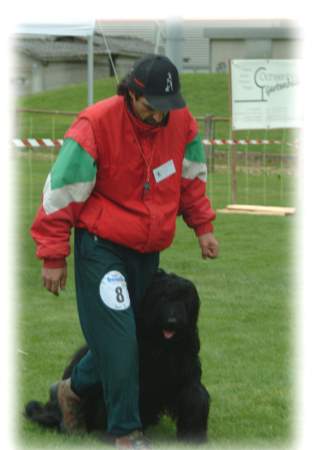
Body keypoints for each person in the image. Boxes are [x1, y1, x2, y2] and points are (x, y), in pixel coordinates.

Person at [30, 54, 219, 449]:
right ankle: (126, 431)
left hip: (147, 252)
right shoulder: (96, 124)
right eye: (150, 108)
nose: (157, 118)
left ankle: (71, 391)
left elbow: (191, 181)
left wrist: (202, 227)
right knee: (120, 342)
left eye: (165, 108)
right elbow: (62, 191)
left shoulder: (181, 122)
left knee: (139, 336)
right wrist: (53, 253)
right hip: (102, 250)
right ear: (131, 94)